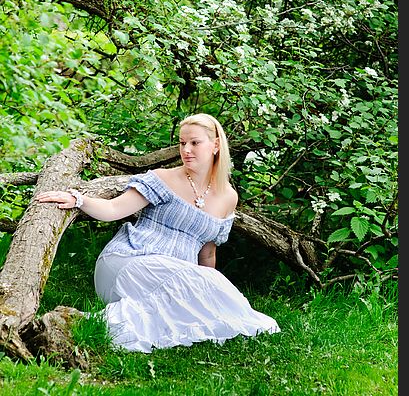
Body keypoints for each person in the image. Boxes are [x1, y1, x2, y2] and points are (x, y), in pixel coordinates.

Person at [36, 113, 280, 352]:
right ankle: (83, 324)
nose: (186, 150)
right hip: (129, 261)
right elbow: (113, 209)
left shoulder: (228, 197)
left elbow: (207, 254)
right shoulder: (163, 179)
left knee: (216, 292)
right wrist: (77, 199)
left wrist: (208, 291)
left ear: (215, 145)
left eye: (195, 143)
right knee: (185, 290)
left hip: (177, 275)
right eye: (183, 143)